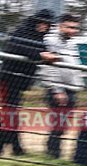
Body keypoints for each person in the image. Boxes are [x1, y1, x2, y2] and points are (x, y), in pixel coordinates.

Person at [0, 9, 58, 155]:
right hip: (8, 79)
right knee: (9, 114)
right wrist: (40, 55)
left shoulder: (40, 38)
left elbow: (42, 51)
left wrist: (50, 56)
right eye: (43, 23)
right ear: (36, 21)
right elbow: (16, 46)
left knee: (11, 114)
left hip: (18, 82)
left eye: (48, 24)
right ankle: (15, 148)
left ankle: (14, 147)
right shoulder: (22, 31)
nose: (45, 26)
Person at [41, 13, 82, 159]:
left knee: (63, 124)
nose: (73, 30)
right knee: (58, 124)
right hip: (59, 89)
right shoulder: (51, 40)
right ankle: (53, 153)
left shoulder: (71, 42)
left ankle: (54, 152)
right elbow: (50, 67)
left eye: (75, 28)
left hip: (71, 88)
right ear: (60, 26)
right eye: (69, 27)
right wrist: (57, 90)